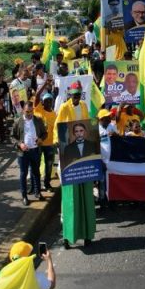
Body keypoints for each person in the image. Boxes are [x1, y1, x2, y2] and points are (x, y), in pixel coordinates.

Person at [56, 84, 95, 249]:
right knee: (69, 198)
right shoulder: (64, 108)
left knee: (86, 196)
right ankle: (67, 236)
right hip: (69, 157)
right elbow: (58, 130)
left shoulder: (85, 106)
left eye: (78, 94)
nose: (76, 97)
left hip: (84, 156)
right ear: (69, 95)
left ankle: (87, 234)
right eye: (74, 95)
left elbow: (89, 127)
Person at [12, 101, 47, 207]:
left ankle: (37, 192)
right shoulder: (18, 121)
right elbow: (12, 137)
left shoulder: (38, 120)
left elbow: (45, 133)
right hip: (23, 152)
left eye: (31, 111)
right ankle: (24, 196)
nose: (29, 114)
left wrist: (41, 139)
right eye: (27, 111)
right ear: (23, 110)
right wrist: (19, 144)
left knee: (36, 172)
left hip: (35, 150)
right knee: (23, 174)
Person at [33, 93, 58, 191]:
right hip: (39, 144)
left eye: (50, 101)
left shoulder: (54, 114)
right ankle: (36, 186)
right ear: (42, 102)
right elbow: (37, 95)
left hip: (50, 144)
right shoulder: (38, 110)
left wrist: (57, 140)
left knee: (49, 166)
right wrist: (44, 85)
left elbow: (56, 129)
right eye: (46, 101)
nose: (48, 102)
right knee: (36, 165)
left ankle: (47, 184)